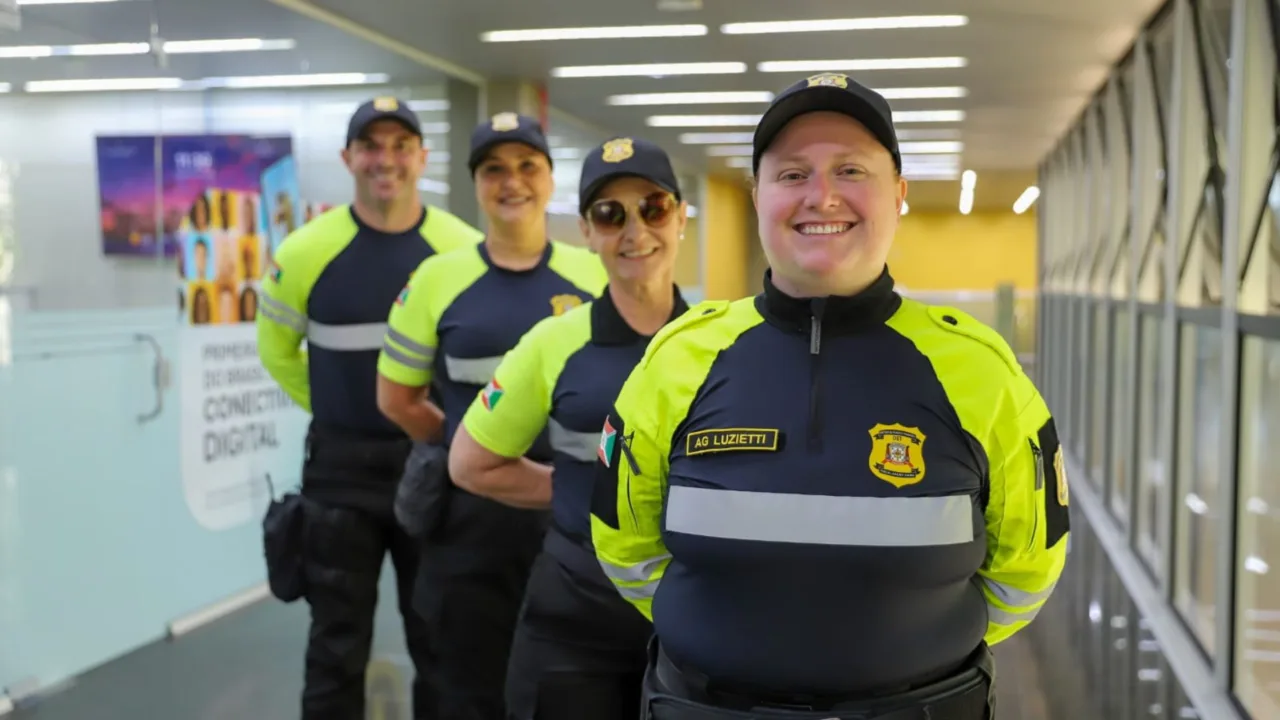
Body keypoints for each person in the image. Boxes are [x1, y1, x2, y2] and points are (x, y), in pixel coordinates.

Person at [590, 73, 1070, 720]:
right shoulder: (679, 360)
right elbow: (626, 543)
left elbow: (1027, 566)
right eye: (791, 175)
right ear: (757, 195)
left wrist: (905, 658)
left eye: (850, 170)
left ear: (897, 195)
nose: (822, 197)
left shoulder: (980, 371)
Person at [257, 95, 483, 720]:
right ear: (347, 158)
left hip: (430, 468)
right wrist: (338, 407)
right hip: (339, 474)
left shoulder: (460, 250)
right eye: (371, 147)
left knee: (441, 639)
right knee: (336, 646)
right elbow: (276, 352)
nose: (386, 160)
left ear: (422, 157)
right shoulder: (304, 252)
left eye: (401, 146)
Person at [376, 112, 608, 720]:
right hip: (466, 533)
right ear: (477, 183)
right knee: (461, 689)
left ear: (549, 177)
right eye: (494, 169)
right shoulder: (437, 278)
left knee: (565, 690)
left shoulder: (594, 273)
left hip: (570, 528)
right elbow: (396, 399)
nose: (512, 182)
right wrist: (466, 448)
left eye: (527, 166)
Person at [448, 137, 689, 720]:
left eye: (652, 208)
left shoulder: (721, 340)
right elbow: (470, 463)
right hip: (575, 618)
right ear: (586, 231)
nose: (635, 232)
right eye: (610, 215)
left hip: (693, 616)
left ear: (680, 218)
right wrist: (579, 492)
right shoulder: (551, 341)